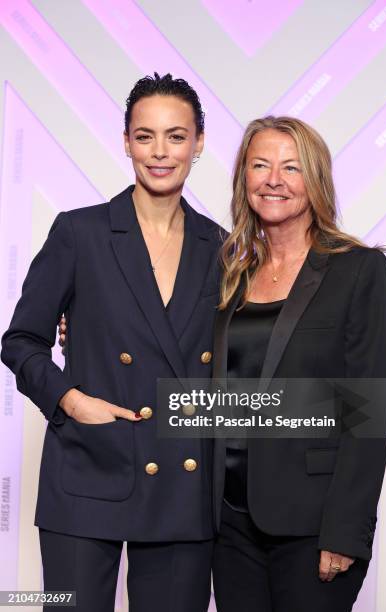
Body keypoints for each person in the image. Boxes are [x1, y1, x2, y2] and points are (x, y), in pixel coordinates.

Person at [1, 73, 224, 612]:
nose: (160, 151)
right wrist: (71, 399)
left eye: (176, 136)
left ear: (199, 143)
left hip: (182, 484)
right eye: (145, 136)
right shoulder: (80, 232)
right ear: (125, 142)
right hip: (87, 466)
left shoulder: (219, 245)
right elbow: (21, 340)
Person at [211, 116, 386, 612]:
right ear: (243, 178)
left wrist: (346, 531)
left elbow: (370, 412)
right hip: (228, 524)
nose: (274, 179)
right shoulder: (229, 274)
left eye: (291, 167)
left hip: (314, 527)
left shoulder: (357, 269)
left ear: (315, 180)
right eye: (260, 165)